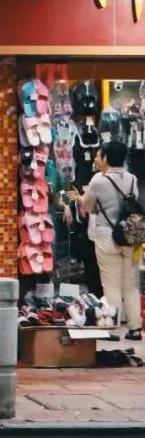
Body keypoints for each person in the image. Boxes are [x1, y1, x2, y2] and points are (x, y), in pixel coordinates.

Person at [68, 141, 142, 341]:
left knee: (110, 284)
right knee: (131, 284)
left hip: (106, 235)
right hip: (130, 236)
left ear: (107, 157)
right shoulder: (133, 179)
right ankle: (135, 328)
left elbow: (90, 207)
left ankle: (113, 328)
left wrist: (80, 199)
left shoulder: (98, 181)